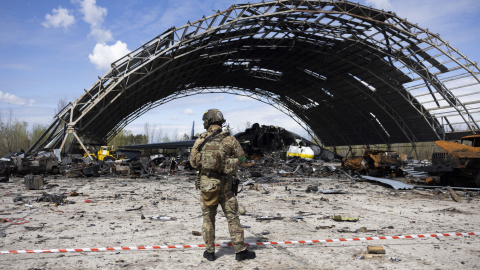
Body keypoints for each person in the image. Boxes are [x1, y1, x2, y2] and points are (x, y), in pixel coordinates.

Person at [190, 109, 256, 261]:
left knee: (208, 219)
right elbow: (242, 160)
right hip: (226, 186)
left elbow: (193, 163)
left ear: (207, 122)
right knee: (233, 217)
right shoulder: (230, 139)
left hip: (207, 186)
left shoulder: (200, 140)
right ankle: (240, 251)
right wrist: (230, 161)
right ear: (221, 122)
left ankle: (210, 252)